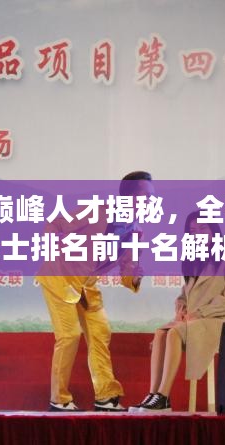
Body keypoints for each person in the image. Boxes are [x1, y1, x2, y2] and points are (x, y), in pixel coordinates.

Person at [36, 171, 153, 412]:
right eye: (147, 196)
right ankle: (59, 399)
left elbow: (128, 270)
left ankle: (106, 396)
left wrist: (134, 277)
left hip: (87, 285)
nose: (152, 201)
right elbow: (55, 224)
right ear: (131, 197)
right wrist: (53, 255)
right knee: (69, 335)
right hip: (60, 277)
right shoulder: (95, 211)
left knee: (100, 332)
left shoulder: (136, 232)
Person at [132, 210, 225, 412]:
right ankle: (153, 394)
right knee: (161, 333)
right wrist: (181, 310)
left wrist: (198, 313)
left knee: (174, 333)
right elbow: (184, 296)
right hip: (196, 321)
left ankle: (163, 396)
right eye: (193, 230)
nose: (198, 234)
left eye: (203, 228)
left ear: (214, 231)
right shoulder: (194, 261)